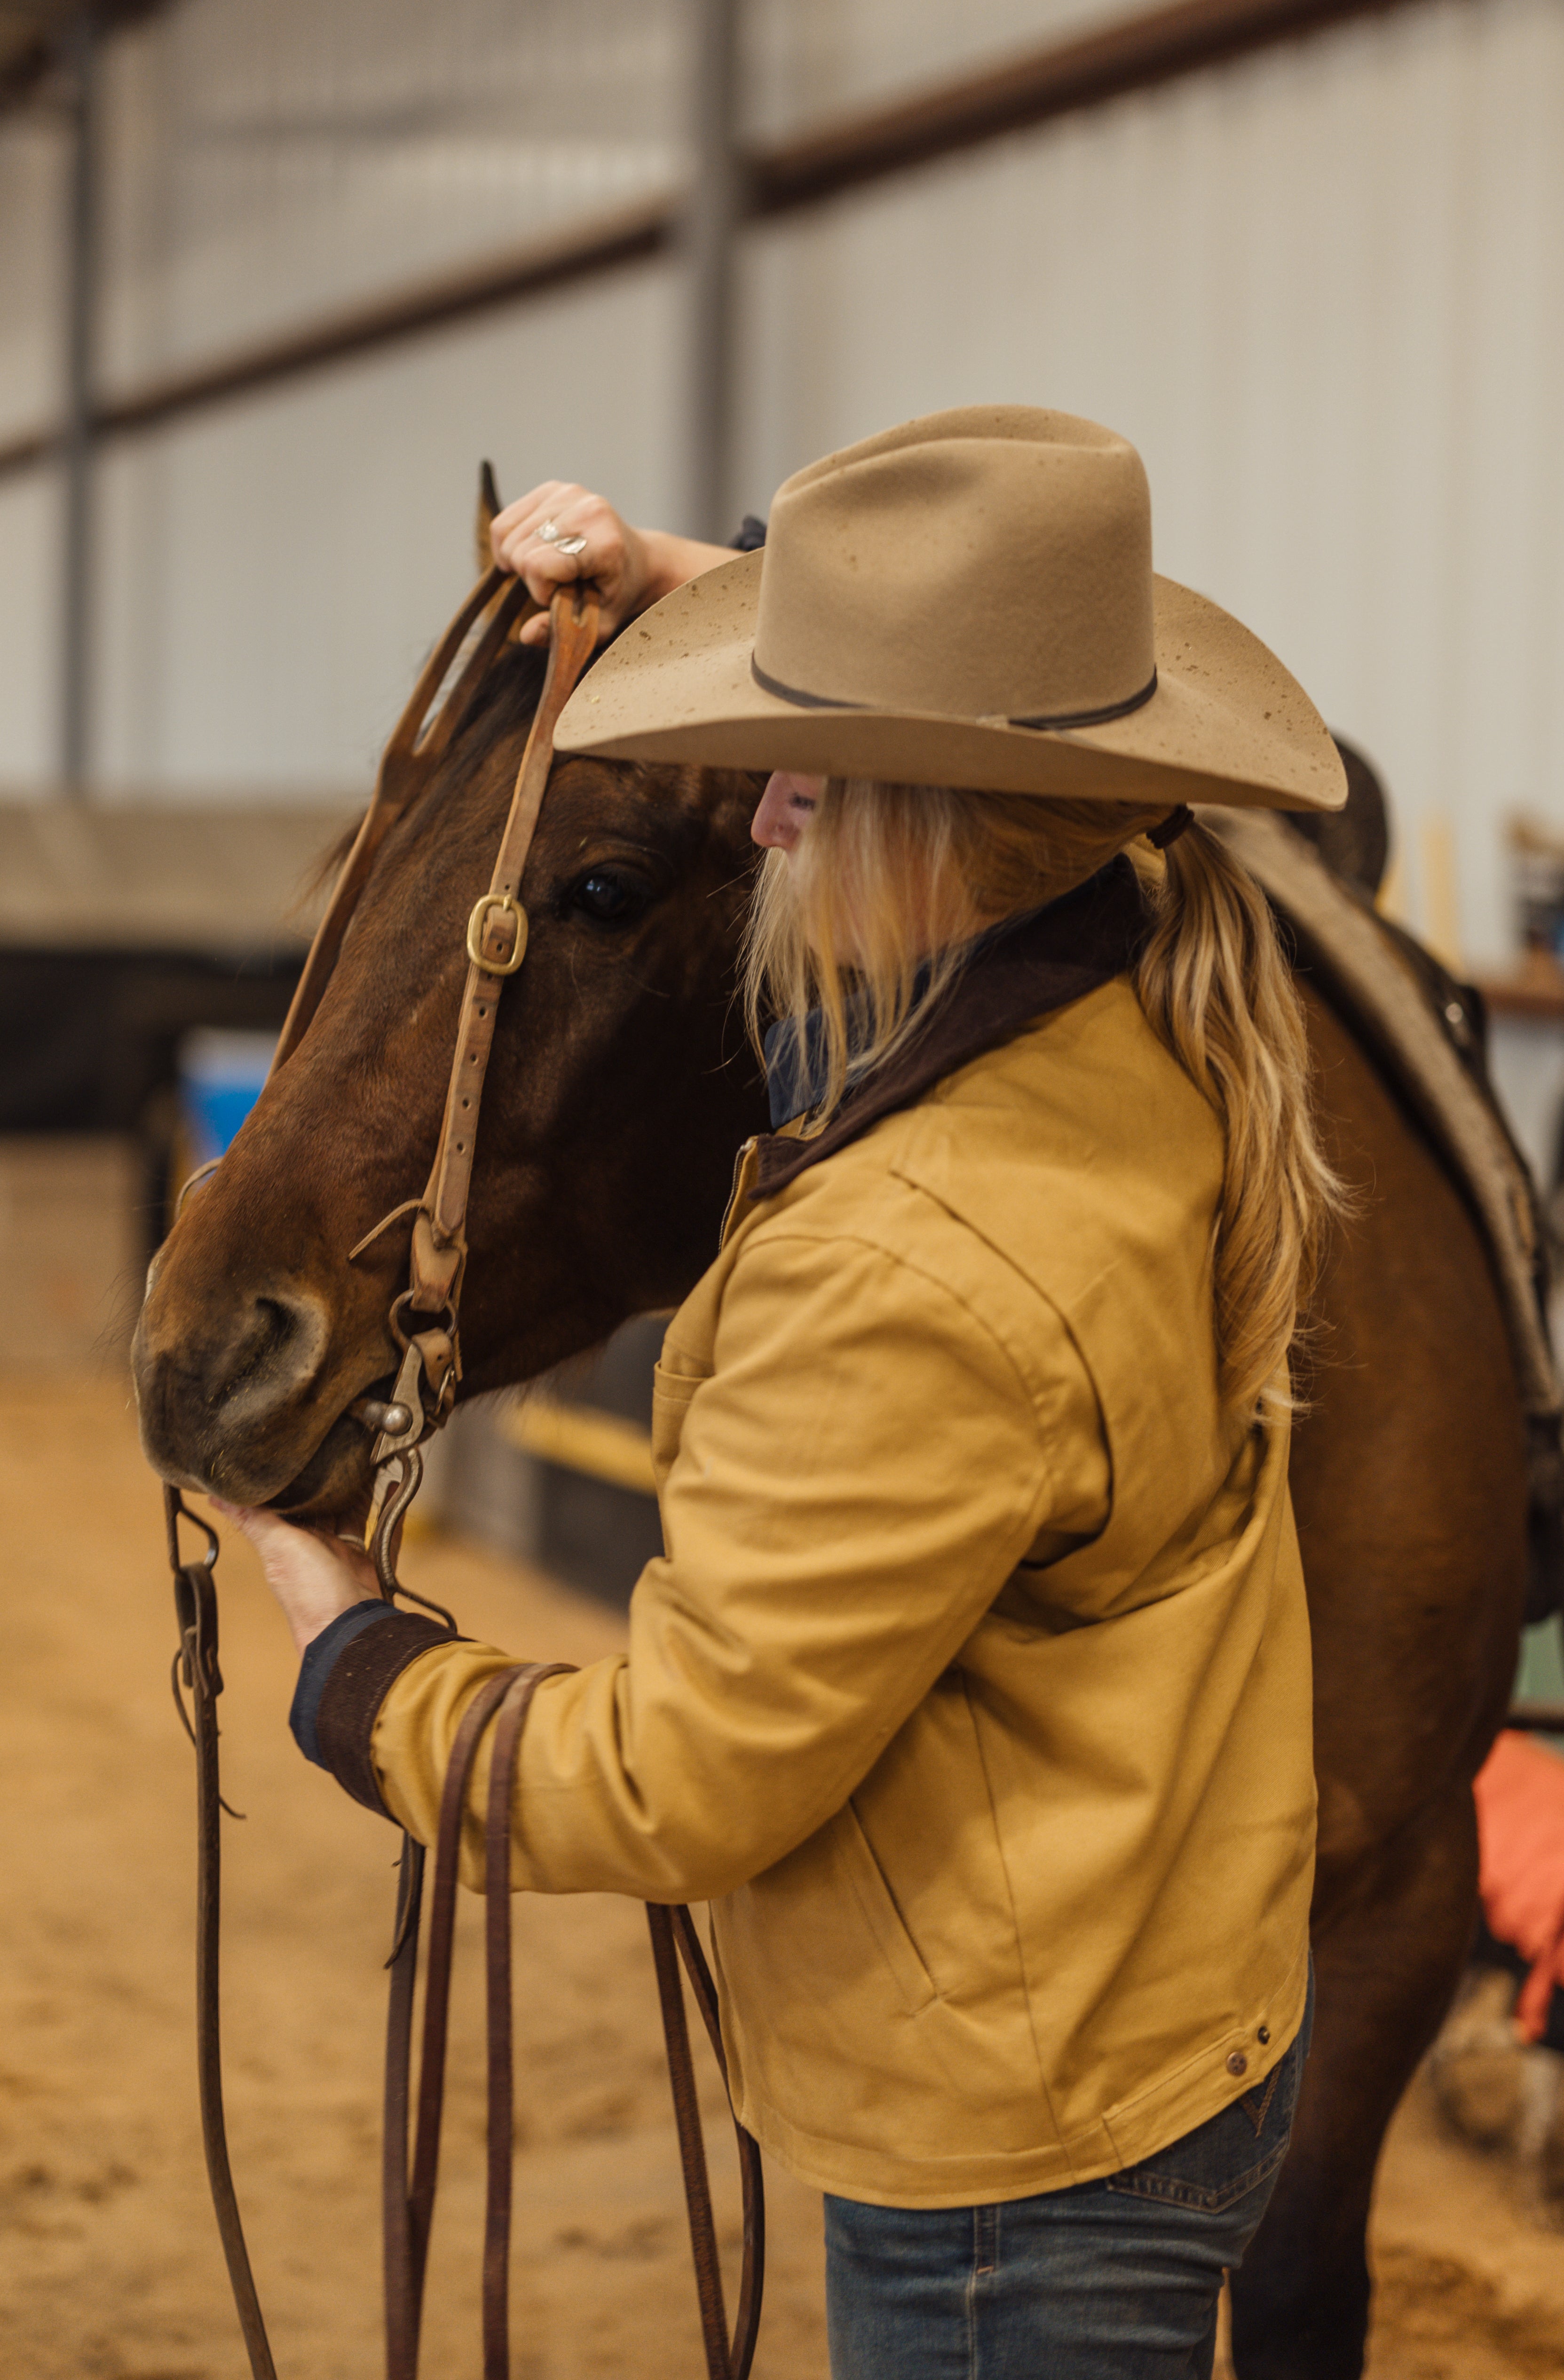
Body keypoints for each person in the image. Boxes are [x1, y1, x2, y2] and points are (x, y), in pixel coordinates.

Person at [221, 406, 1347, 2378]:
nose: (756, 821)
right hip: (1159, 2007)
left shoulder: (905, 1263)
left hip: (1005, 2145)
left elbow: (681, 1774)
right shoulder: (1143, 994)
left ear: (925, 822)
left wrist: (351, 1659)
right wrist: (695, 589)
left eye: (802, 784)